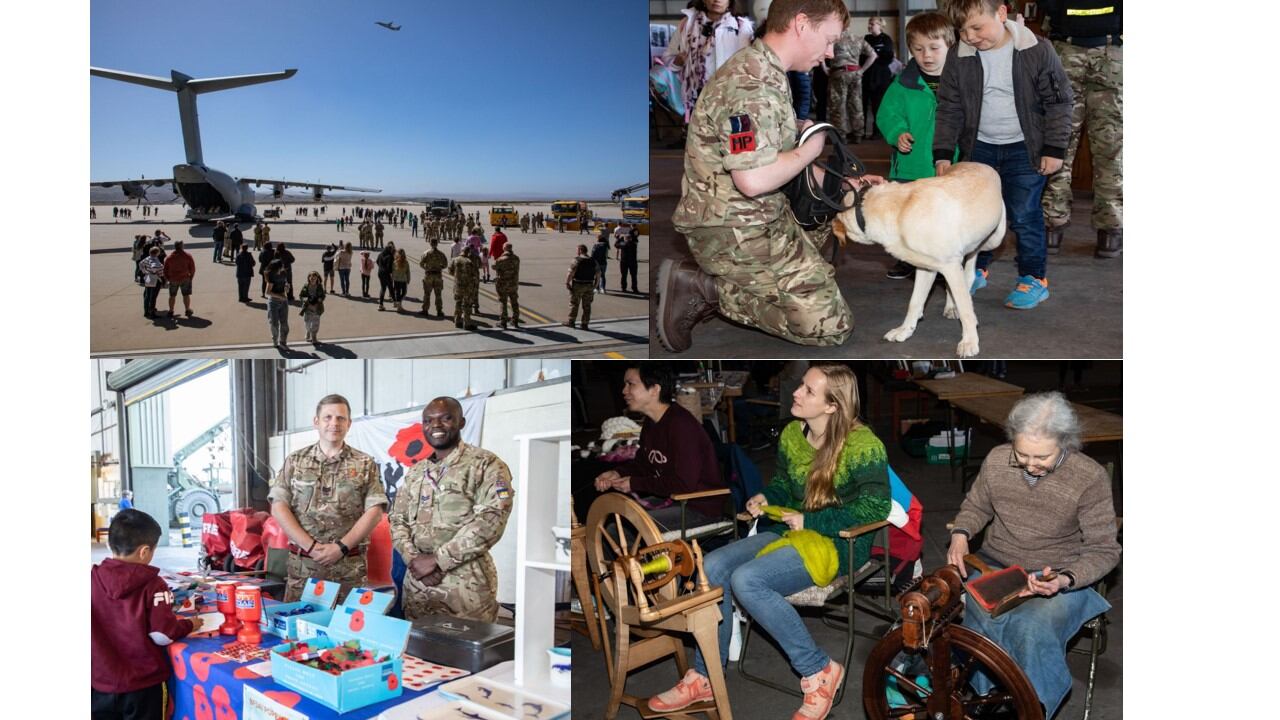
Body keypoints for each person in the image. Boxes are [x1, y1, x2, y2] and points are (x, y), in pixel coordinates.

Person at [648, 364, 890, 720]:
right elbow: (782, 485)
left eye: (808, 390)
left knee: (748, 580)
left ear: (832, 405)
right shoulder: (794, 434)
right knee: (712, 567)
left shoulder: (863, 445)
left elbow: (875, 506)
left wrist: (812, 519)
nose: (796, 392)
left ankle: (818, 670)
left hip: (838, 543)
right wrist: (765, 495)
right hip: (788, 531)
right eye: (802, 386)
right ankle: (706, 676)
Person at [659, 0, 881, 352]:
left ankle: (792, 275)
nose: (830, 52)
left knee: (830, 206)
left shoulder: (766, 70)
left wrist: (848, 182)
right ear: (802, 24)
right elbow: (754, 179)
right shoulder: (752, 82)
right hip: (732, 229)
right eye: (828, 39)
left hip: (758, 214)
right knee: (829, 327)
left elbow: (768, 146)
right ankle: (707, 289)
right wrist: (812, 146)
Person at [946, 391, 1119, 718]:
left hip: (1058, 573)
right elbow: (976, 505)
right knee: (971, 611)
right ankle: (985, 697)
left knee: (1031, 625)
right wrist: (960, 534)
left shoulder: (1088, 476)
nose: (1030, 464)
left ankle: (1031, 707)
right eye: (1023, 454)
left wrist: (1065, 579)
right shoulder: (998, 460)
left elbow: (1104, 549)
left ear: (1066, 443)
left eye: (1042, 457)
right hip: (997, 562)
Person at [934, 0, 1072, 310]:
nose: (969, 36)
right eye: (962, 30)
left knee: (1024, 214)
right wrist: (943, 152)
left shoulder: (1037, 49)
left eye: (977, 27)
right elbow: (949, 107)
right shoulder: (959, 56)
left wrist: (1054, 148)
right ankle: (975, 269)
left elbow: (1060, 101)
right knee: (977, 215)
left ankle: (1034, 278)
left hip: (1025, 148)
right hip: (979, 147)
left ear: (1001, 13)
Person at [389, 396, 515, 622]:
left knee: (467, 653)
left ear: (461, 422)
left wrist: (437, 560)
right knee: (416, 652)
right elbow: (397, 520)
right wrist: (413, 559)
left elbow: (493, 517)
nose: (435, 426)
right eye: (428, 421)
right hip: (417, 586)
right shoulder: (416, 472)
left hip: (466, 588)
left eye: (445, 418)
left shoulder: (486, 464)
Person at [269, 394, 388, 603]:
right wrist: (311, 547)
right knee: (298, 630)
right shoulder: (296, 461)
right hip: (304, 569)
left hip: (349, 569)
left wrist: (340, 547)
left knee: (348, 632)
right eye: (328, 417)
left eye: (341, 418)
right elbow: (279, 506)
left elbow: (375, 511)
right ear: (316, 421)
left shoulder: (364, 464)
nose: (334, 423)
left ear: (349, 424)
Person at [874, 11, 960, 281]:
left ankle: (947, 260)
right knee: (906, 217)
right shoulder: (902, 83)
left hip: (950, 167)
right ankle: (907, 260)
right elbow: (887, 114)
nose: (927, 56)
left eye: (935, 48)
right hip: (909, 167)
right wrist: (897, 132)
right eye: (918, 49)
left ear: (950, 46)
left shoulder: (962, 80)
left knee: (944, 217)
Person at [92, 509, 202, 720]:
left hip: (101, 684)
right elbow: (162, 635)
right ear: (144, 552)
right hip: (143, 685)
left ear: (109, 543)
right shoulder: (154, 584)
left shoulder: (91, 578)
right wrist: (190, 625)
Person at [1039, 0, 1122, 258]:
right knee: (1059, 141)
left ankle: (1107, 226)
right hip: (1074, 48)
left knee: (1108, 145)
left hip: (1104, 49)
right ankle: (1057, 223)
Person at [592, 365, 725, 526]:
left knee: (623, 529)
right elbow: (644, 465)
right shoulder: (651, 422)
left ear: (655, 389)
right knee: (614, 518)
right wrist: (617, 473)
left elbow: (684, 484)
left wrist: (634, 483)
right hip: (674, 499)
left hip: (699, 508)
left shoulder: (681, 425)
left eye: (631, 384)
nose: (624, 391)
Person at [827, 21, 873, 141]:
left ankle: (840, 135)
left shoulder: (835, 39)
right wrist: (862, 70)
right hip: (855, 73)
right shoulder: (858, 39)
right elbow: (873, 55)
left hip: (839, 73)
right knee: (856, 104)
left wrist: (825, 68)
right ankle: (858, 134)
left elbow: (823, 54)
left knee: (838, 105)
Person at [861, 16, 895, 140]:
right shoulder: (866, 38)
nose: (869, 26)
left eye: (872, 23)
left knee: (878, 105)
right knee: (863, 105)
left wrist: (875, 58)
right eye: (869, 23)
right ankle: (862, 131)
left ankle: (878, 132)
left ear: (880, 25)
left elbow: (888, 57)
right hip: (866, 76)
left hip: (880, 77)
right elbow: (862, 56)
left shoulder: (886, 39)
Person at [565, 244, 598, 330]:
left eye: (577, 250)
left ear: (580, 250)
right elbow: (598, 273)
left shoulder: (577, 260)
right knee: (587, 305)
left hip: (578, 284)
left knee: (574, 304)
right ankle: (585, 324)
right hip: (589, 284)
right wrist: (596, 285)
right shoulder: (593, 260)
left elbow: (571, 272)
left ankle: (571, 322)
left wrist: (567, 282)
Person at [162, 240, 196, 318]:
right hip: (185, 278)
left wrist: (167, 278)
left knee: (172, 296)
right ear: (182, 246)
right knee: (186, 295)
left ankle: (171, 311)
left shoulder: (169, 257)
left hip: (173, 279)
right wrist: (191, 277)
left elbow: (165, 269)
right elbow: (192, 268)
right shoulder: (187, 256)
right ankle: (187, 310)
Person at [449, 246, 480, 329]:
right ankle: (467, 323)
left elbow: (450, 271)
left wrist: (457, 277)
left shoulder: (455, 260)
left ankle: (457, 321)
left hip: (458, 286)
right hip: (467, 287)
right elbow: (474, 275)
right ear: (468, 252)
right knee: (467, 305)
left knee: (458, 303)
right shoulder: (469, 261)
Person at [264, 258, 291, 348]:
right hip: (273, 302)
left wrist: (287, 287)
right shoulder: (271, 275)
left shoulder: (284, 273)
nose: (283, 267)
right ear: (276, 267)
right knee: (274, 323)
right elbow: (267, 292)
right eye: (281, 266)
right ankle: (275, 340)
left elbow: (285, 283)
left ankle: (283, 342)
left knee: (284, 323)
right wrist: (280, 296)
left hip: (283, 301)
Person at [419, 237, 448, 318]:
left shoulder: (426, 253)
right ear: (437, 243)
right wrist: (439, 267)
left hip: (429, 275)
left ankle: (425, 310)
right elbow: (445, 264)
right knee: (438, 294)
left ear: (430, 243)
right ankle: (439, 311)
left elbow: (421, 264)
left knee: (427, 294)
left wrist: (427, 268)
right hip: (438, 275)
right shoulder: (441, 254)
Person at [493, 243, 520, 329]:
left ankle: (503, 321)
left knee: (503, 302)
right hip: (513, 284)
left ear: (504, 248)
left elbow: (495, 267)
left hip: (503, 284)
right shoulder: (516, 258)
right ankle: (515, 320)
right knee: (514, 301)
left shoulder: (500, 259)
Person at [299, 270, 326, 344]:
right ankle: (308, 331)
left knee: (315, 323)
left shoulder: (320, 286)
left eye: (314, 277)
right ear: (309, 278)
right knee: (307, 322)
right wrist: (306, 301)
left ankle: (314, 336)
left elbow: (323, 295)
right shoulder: (305, 286)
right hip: (307, 307)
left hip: (317, 308)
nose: (312, 279)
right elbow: (301, 296)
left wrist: (321, 299)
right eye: (311, 277)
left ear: (317, 278)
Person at [139, 246, 164, 319]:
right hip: (155, 279)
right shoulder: (155, 260)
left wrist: (145, 271)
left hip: (148, 278)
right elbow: (154, 267)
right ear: (157, 253)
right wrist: (159, 271)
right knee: (153, 297)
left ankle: (146, 311)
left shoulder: (147, 258)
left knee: (147, 295)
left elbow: (141, 264)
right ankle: (152, 312)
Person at [615, 226, 640, 293]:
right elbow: (635, 236)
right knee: (634, 276)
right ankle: (634, 289)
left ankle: (624, 288)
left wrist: (619, 238)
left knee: (624, 275)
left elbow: (616, 245)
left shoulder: (623, 244)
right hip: (633, 262)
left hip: (624, 262)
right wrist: (633, 229)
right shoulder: (634, 243)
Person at [376, 243, 396, 311]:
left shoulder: (380, 254)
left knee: (383, 288)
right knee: (390, 287)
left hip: (380, 272)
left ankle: (380, 305)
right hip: (386, 273)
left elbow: (377, 261)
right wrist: (391, 273)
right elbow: (389, 267)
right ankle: (395, 302)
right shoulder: (390, 256)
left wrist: (381, 267)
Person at [392, 248, 411, 312]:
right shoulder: (406, 262)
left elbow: (393, 271)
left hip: (397, 280)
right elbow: (408, 272)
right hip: (403, 280)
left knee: (397, 293)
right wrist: (408, 279)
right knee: (404, 292)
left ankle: (399, 305)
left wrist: (393, 278)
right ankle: (399, 305)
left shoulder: (395, 262)